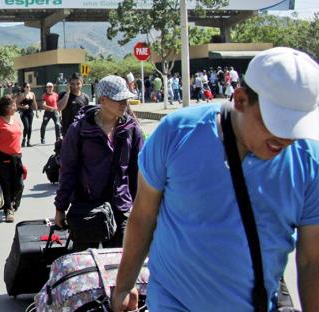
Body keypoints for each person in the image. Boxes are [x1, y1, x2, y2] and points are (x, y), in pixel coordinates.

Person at [112, 47, 319, 311]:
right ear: (241, 99)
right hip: (173, 303)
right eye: (277, 124)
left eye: (297, 127)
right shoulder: (177, 133)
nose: (287, 139)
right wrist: (124, 285)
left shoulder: (309, 161)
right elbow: (143, 215)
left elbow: (312, 260)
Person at [53, 75, 144, 251]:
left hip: (121, 207)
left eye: (126, 99)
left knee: (121, 264)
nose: (125, 103)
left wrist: (141, 208)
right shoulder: (79, 130)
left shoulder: (132, 130)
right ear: (103, 99)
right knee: (85, 265)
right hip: (86, 208)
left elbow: (138, 172)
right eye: (120, 99)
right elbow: (68, 171)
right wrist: (60, 207)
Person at [0, 95, 24, 223]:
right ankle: (8, 209)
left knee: (19, 184)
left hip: (17, 157)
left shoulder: (16, 120)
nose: (15, 107)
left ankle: (10, 202)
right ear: (6, 107)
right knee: (5, 184)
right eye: (13, 105)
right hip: (2, 156)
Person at [58, 72, 90, 137]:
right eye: (72, 84)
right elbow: (59, 108)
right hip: (68, 132)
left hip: (81, 132)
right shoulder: (64, 95)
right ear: (69, 84)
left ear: (82, 84)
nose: (75, 86)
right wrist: (67, 93)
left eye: (78, 84)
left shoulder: (86, 97)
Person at [16, 82, 39, 147]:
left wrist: (37, 112)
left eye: (29, 87)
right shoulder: (22, 95)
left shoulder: (32, 94)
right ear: (24, 88)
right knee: (26, 126)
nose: (29, 88)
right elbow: (16, 104)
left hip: (30, 112)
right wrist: (23, 107)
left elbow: (35, 103)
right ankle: (23, 139)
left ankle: (28, 141)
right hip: (23, 113)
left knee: (30, 127)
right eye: (27, 87)